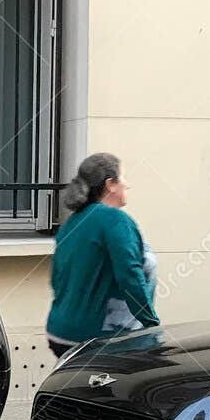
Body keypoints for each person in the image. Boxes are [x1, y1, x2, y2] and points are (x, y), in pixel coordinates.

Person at [45, 152, 158, 357]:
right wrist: (152, 325)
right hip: (100, 339)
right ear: (110, 184)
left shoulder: (72, 223)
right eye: (123, 178)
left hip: (61, 333)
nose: (128, 184)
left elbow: (57, 280)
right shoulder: (115, 220)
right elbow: (130, 277)